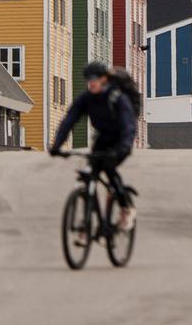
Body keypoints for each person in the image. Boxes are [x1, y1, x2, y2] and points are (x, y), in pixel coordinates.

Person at [49, 62, 140, 232]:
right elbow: (69, 120)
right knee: (90, 171)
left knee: (108, 166)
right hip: (103, 138)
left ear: (104, 79)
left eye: (95, 79)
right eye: (88, 80)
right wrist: (57, 145)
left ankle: (126, 208)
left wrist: (122, 149)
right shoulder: (86, 98)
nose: (91, 83)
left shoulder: (118, 98)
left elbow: (129, 127)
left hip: (120, 140)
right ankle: (87, 221)